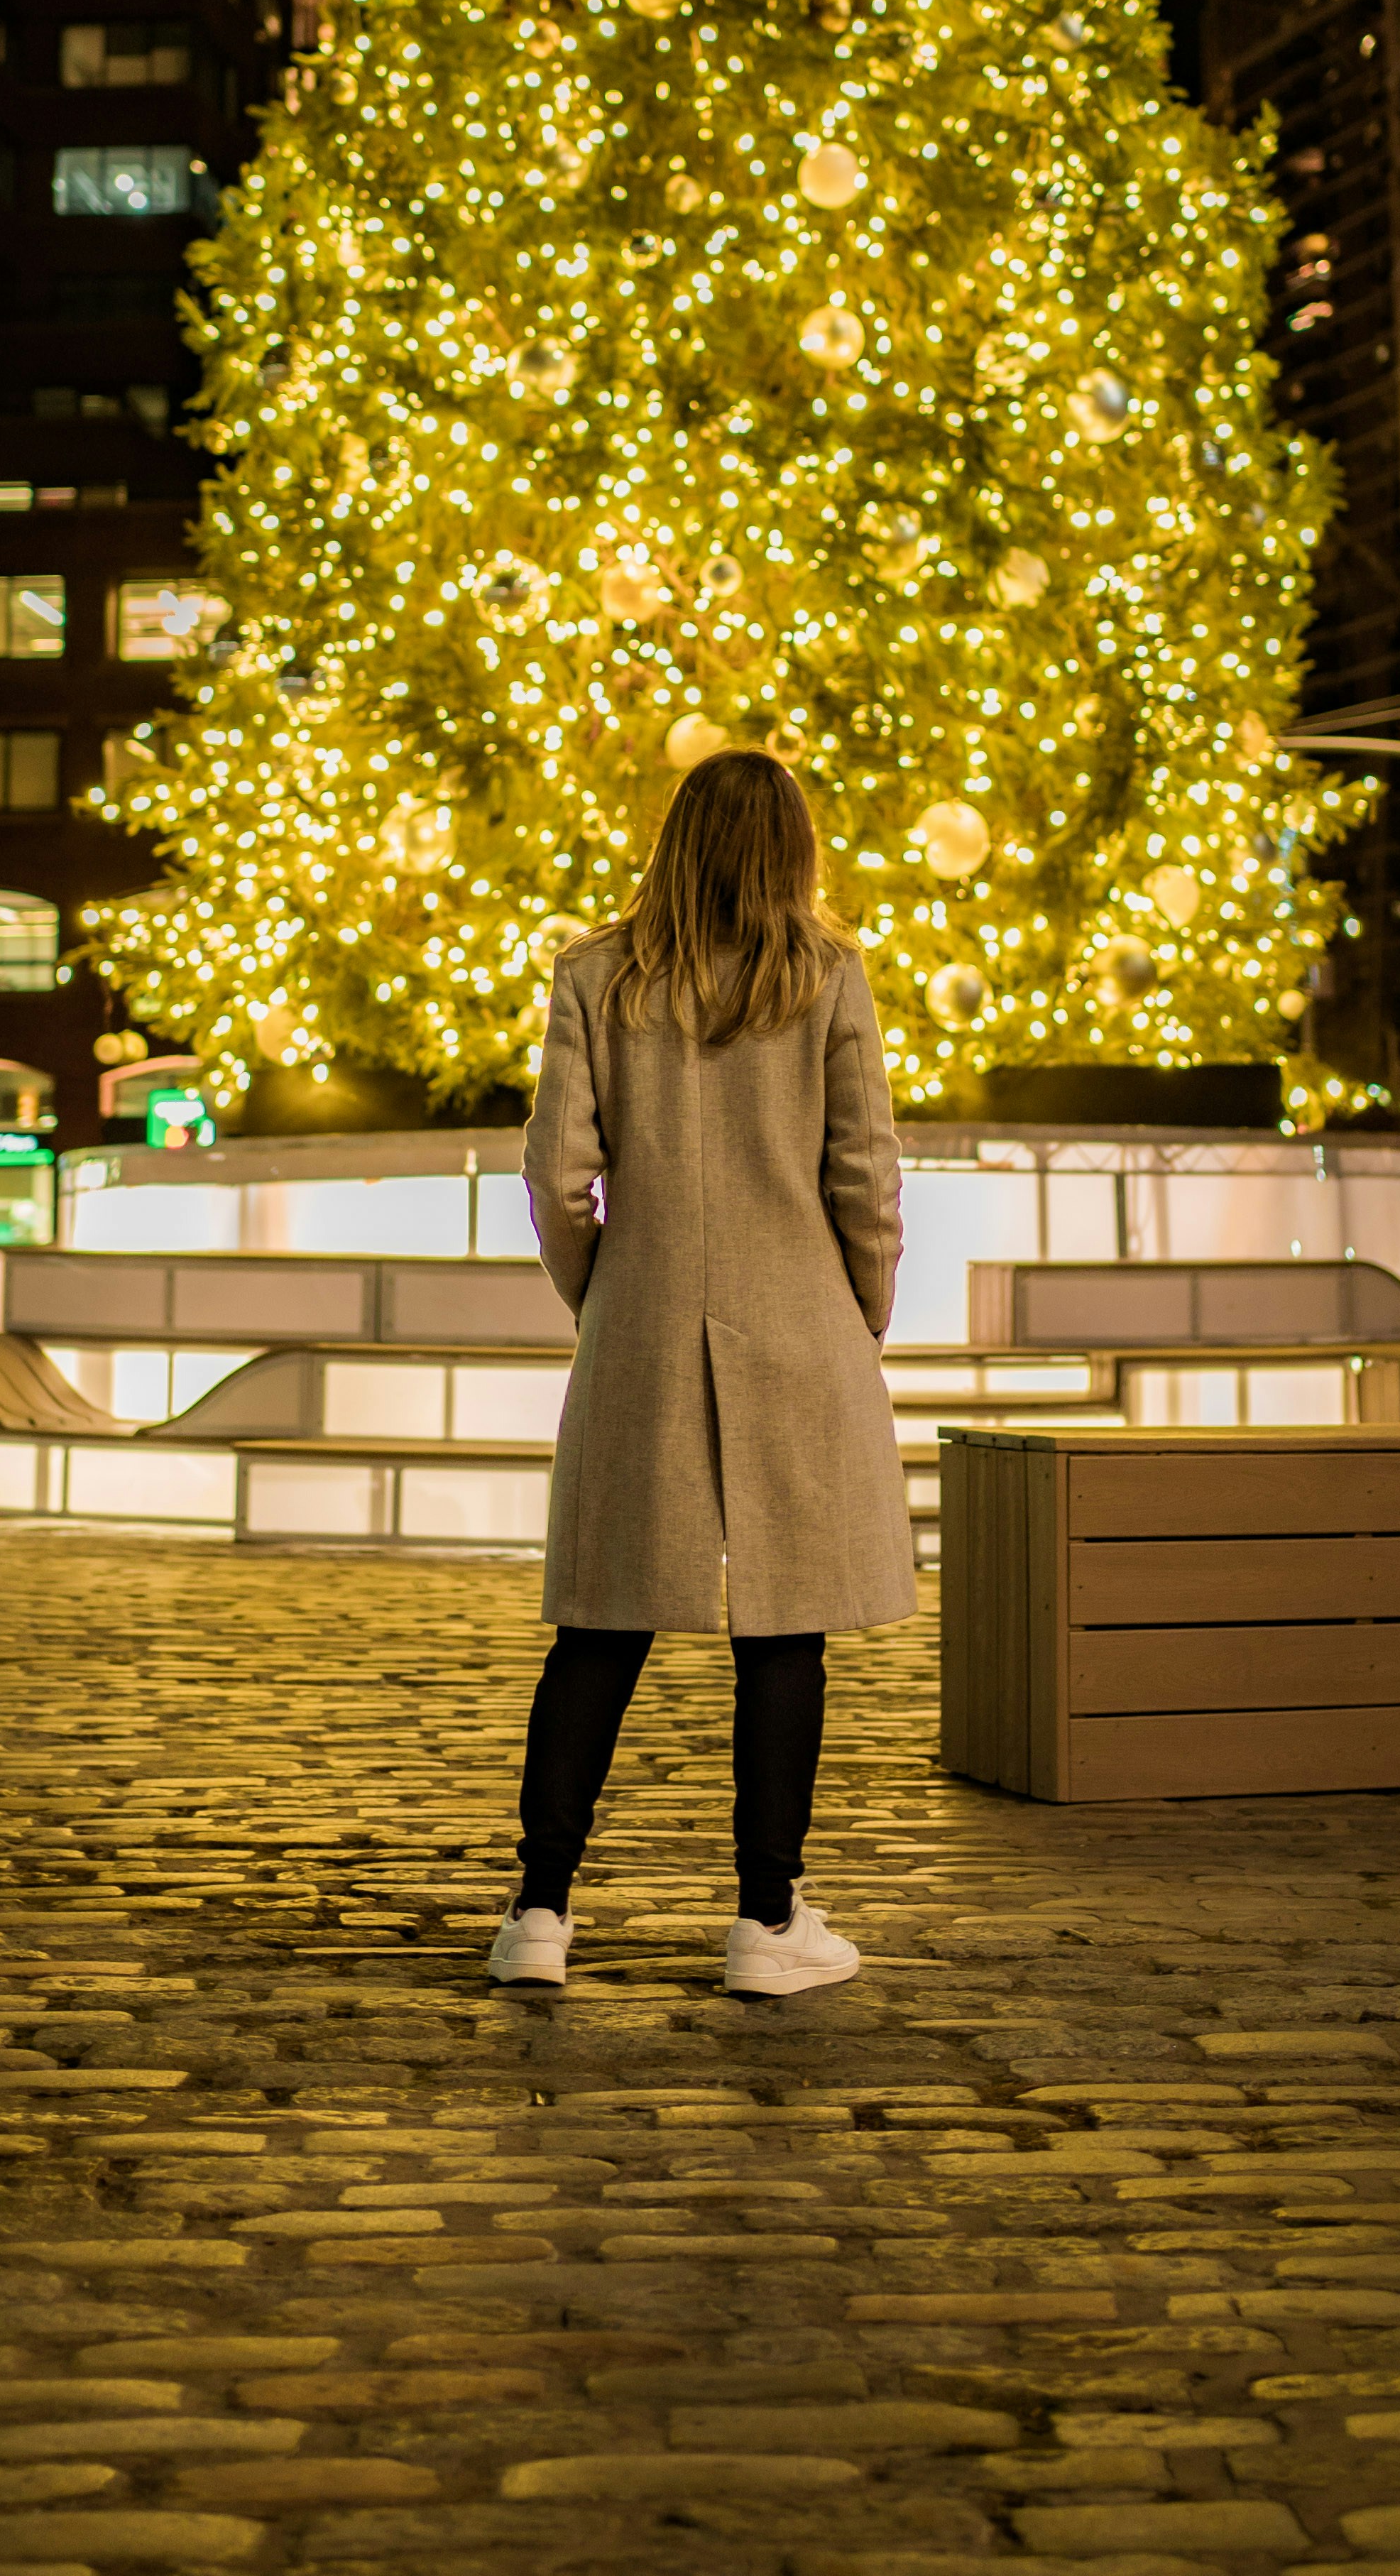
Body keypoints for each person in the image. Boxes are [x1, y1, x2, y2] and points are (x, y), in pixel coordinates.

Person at [496, 748, 915, 2000]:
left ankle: (538, 1910)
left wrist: (603, 1293)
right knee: (787, 1625)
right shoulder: (827, 975)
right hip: (801, 1324)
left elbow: (554, 1170)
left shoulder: (593, 973)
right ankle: (766, 1919)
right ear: (794, 846)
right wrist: (863, 1312)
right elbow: (867, 1175)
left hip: (642, 1319)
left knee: (600, 1625)